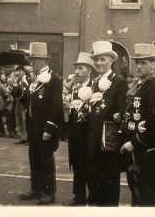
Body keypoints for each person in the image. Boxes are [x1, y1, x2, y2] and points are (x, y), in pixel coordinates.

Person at [120, 43, 155, 206]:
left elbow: (153, 123)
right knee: (135, 188)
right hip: (132, 146)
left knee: (146, 190)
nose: (138, 66)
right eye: (137, 62)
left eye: (143, 63)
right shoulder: (138, 84)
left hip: (143, 147)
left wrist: (134, 143)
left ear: (153, 65)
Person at [17, 42, 63, 205]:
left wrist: (49, 127)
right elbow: (28, 102)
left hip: (45, 128)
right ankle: (36, 189)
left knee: (46, 160)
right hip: (33, 127)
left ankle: (49, 192)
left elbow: (57, 106)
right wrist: (16, 91)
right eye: (32, 60)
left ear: (43, 61)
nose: (32, 63)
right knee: (34, 158)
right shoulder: (35, 78)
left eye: (34, 60)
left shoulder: (54, 79)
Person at [86, 41, 128, 206]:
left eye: (102, 59)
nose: (98, 63)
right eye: (96, 60)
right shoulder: (95, 82)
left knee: (108, 179)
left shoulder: (118, 81)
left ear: (111, 61)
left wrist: (118, 117)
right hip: (93, 136)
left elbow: (124, 109)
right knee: (93, 175)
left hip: (108, 138)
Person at [62, 52, 95, 206]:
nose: (76, 72)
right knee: (77, 166)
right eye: (76, 68)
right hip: (75, 134)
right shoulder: (75, 88)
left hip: (88, 135)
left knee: (89, 167)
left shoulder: (95, 87)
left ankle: (92, 196)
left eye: (80, 68)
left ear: (89, 71)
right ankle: (79, 196)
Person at [13, 65, 30, 145]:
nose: (18, 73)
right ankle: (22, 137)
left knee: (24, 119)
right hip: (18, 102)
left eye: (19, 71)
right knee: (18, 118)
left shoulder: (26, 79)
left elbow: (27, 92)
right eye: (18, 71)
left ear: (24, 72)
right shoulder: (19, 80)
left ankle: (27, 137)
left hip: (24, 102)